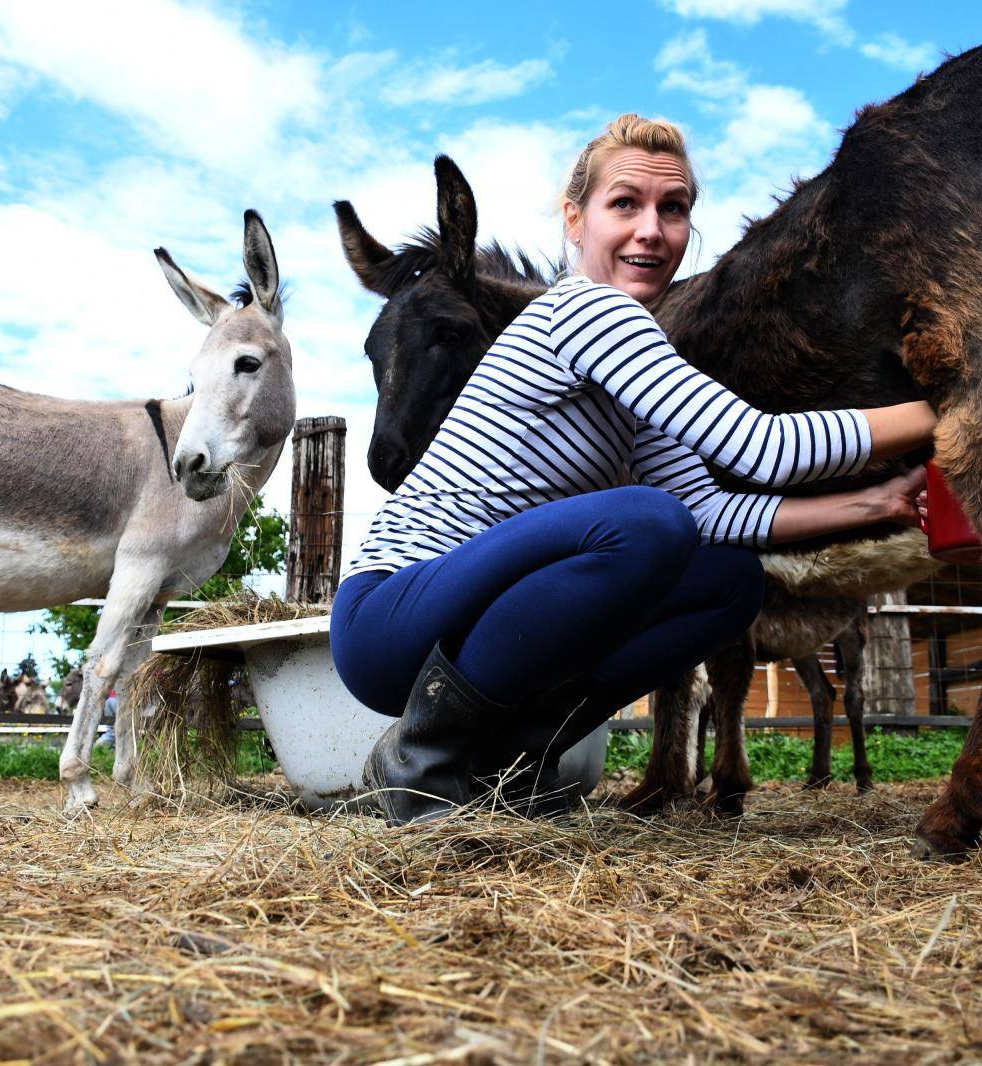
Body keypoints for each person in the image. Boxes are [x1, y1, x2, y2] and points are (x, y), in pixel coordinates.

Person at [332, 114, 936, 826]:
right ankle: (420, 760)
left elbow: (712, 513)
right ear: (575, 219)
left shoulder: (637, 357)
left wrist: (875, 506)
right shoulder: (585, 312)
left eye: (673, 209)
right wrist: (949, 410)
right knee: (648, 523)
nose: (652, 229)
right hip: (389, 617)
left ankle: (515, 756)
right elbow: (757, 446)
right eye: (625, 204)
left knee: (729, 582)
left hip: (467, 621)